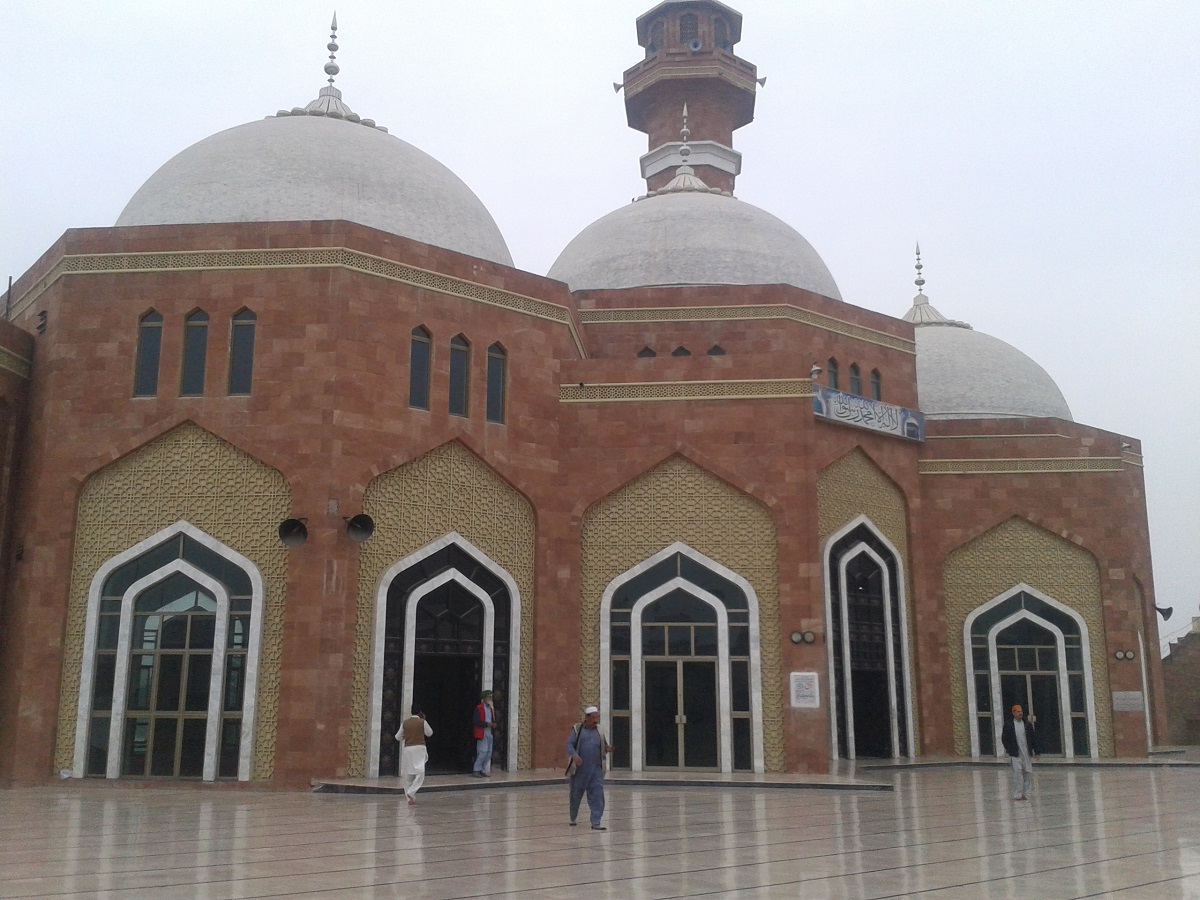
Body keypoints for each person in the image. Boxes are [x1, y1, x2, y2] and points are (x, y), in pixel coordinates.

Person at [567, 705, 613, 830]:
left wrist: (608, 748)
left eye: (597, 717)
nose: (595, 720)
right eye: (593, 718)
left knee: (597, 795)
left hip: (596, 770)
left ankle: (596, 822)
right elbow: (570, 745)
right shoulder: (577, 730)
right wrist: (575, 756)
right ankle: (573, 817)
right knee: (575, 795)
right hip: (580, 770)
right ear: (587, 718)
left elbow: (604, 745)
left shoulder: (599, 730)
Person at [1001, 703, 1039, 801]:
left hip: (1026, 753)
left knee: (1027, 773)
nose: (1020, 713)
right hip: (1015, 754)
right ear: (1013, 713)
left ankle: (1026, 793)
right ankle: (1018, 794)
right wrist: (1009, 749)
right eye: (1018, 711)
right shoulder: (1009, 725)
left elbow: (1033, 738)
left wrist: (1036, 751)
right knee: (1018, 774)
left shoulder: (1027, 724)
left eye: (1021, 711)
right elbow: (1004, 738)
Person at [396, 707, 433, 806]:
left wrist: (406, 735)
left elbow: (397, 737)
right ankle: (411, 792)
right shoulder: (422, 722)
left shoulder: (405, 723)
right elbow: (430, 733)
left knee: (409, 774)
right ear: (419, 712)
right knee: (420, 772)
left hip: (408, 749)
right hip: (420, 749)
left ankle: (410, 799)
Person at [471, 690, 497, 777]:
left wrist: (493, 724)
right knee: (483, 751)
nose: (490, 699)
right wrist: (486, 724)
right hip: (482, 732)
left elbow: (493, 719)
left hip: (489, 732)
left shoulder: (491, 709)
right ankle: (476, 769)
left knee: (489, 752)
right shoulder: (479, 708)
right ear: (484, 698)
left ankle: (482, 769)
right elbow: (476, 721)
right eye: (489, 697)